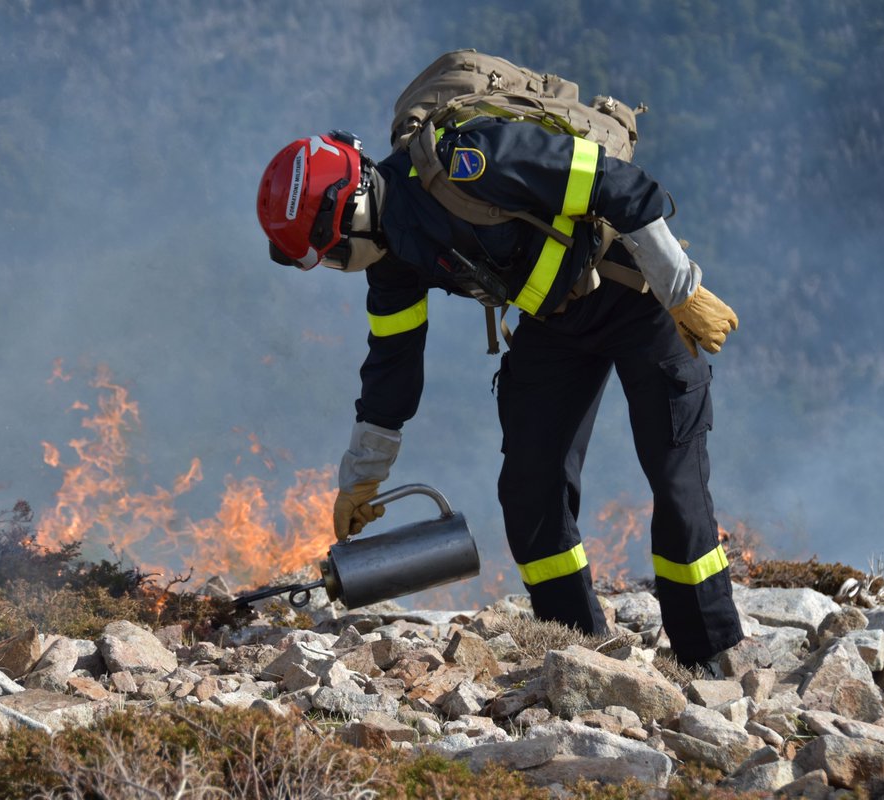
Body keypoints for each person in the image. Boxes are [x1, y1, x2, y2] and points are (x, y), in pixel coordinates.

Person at [255, 118, 744, 667]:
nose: (342, 267)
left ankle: (707, 658)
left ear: (352, 208)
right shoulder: (393, 260)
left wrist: (682, 290)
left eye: (337, 254)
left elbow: (619, 184)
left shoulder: (471, 162)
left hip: (636, 296)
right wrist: (360, 479)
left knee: (674, 479)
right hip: (556, 323)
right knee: (530, 492)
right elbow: (392, 370)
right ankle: (581, 654)